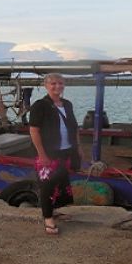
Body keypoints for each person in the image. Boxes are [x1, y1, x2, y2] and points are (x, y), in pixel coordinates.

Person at [29, 73, 83, 235]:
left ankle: (53, 210)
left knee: (60, 182)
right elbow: (34, 130)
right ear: (46, 86)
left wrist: (78, 147)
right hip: (48, 152)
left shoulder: (67, 104)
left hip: (66, 151)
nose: (57, 86)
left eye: (60, 83)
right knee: (46, 185)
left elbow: (74, 128)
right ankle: (48, 218)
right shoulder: (40, 105)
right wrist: (42, 154)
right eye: (53, 83)